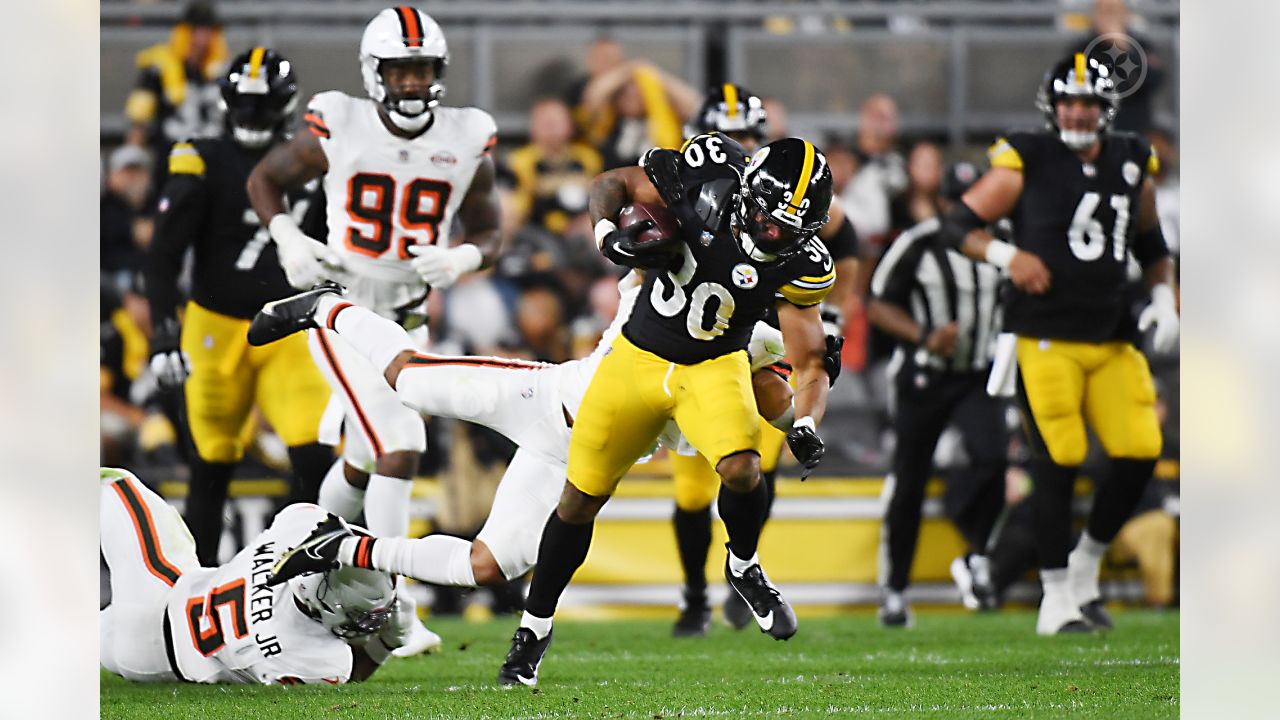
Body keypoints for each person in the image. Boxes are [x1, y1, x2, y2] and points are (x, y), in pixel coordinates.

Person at [249, 265, 816, 616]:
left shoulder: (749, 363)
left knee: (486, 567)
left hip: (568, 462)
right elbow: (643, 260)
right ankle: (328, 307)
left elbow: (781, 389)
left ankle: (341, 546)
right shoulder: (687, 296)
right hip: (545, 399)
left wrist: (802, 419)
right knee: (412, 382)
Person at [480, 132, 835, 686]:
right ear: (749, 192)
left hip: (713, 367)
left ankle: (743, 566)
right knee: (577, 502)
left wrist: (808, 422)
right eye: (769, 219)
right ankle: (533, 631)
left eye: (789, 229)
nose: (774, 234)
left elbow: (812, 358)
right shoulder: (707, 175)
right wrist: (606, 235)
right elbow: (611, 183)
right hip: (637, 358)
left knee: (742, 466)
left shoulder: (803, 262)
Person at [245, 7, 503, 655]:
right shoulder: (341, 121)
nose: (413, 84)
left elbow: (490, 229)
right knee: (401, 442)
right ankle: (398, 609)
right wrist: (286, 239)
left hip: (408, 320)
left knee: (363, 464)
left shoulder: (467, 136)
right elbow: (265, 180)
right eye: (401, 70)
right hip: (341, 309)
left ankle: (297, 555)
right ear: (374, 73)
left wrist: (465, 257)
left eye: (423, 71)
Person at [941, 54, 1179, 635]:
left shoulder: (1131, 159)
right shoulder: (1027, 156)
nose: (1077, 111)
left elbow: (1151, 245)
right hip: (1043, 335)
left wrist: (1165, 297)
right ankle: (1055, 600)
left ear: (1107, 108)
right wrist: (1007, 255)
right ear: (1053, 105)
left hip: (1112, 333)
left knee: (1140, 449)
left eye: (1089, 102)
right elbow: (957, 224)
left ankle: (1084, 567)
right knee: (1060, 458)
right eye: (1069, 101)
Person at [667, 85, 859, 636]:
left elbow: (848, 243)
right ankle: (694, 595)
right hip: (684, 342)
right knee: (689, 491)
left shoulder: (794, 207)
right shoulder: (698, 187)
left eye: (749, 137)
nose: (738, 146)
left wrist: (832, 321)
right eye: (730, 136)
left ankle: (742, 566)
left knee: (755, 468)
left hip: (758, 348)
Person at [145, 48, 334, 566]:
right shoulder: (202, 157)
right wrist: (163, 334)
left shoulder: (316, 160)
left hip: (292, 326)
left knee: (314, 454)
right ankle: (197, 587)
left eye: (262, 106)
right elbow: (163, 252)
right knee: (211, 462)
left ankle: (302, 582)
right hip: (215, 327)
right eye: (243, 106)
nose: (251, 118)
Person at [100, 467, 409, 684]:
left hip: (164, 590)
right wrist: (385, 646)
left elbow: (330, 535)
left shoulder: (296, 528)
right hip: (153, 662)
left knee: (113, 485)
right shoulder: (321, 661)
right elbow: (349, 676)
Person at [866, 162, 1006, 627]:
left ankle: (976, 554)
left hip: (978, 374)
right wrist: (924, 336)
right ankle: (895, 590)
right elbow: (879, 305)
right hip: (924, 376)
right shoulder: (920, 242)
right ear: (944, 204)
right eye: (959, 203)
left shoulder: (1003, 245)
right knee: (910, 480)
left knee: (993, 460)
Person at [124, 1, 227, 191]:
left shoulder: (220, 73)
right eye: (196, 31)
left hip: (213, 166)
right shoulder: (160, 68)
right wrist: (132, 164)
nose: (202, 40)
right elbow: (139, 122)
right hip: (171, 164)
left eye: (208, 32)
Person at [577, 59, 700, 169]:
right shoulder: (608, 124)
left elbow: (695, 104)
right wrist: (630, 69)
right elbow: (593, 96)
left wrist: (651, 74)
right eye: (624, 94)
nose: (631, 98)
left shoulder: (666, 120)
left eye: (638, 93)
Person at [506, 98, 603, 236]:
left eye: (557, 122)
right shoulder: (520, 161)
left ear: (570, 125)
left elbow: (600, 196)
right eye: (545, 123)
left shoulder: (588, 157)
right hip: (539, 230)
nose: (552, 128)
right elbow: (519, 207)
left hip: (584, 226)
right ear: (533, 128)